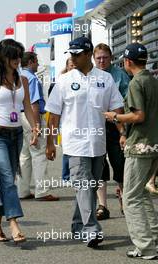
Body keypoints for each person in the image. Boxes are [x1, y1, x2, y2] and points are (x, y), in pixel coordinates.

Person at [45, 36, 124, 248]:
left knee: (89, 187)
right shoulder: (63, 80)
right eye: (71, 54)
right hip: (75, 144)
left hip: (98, 143)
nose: (73, 57)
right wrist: (50, 142)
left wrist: (123, 132)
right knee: (83, 185)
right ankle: (91, 230)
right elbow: (53, 114)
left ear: (88, 54)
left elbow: (117, 108)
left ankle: (78, 224)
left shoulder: (105, 79)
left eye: (77, 53)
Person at [104, 43, 158, 259]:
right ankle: (152, 239)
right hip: (154, 144)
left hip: (140, 146)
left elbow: (138, 116)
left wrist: (114, 117)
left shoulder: (136, 83)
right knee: (143, 195)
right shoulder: (153, 80)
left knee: (131, 197)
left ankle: (145, 247)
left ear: (127, 61)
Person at [0, 39, 38, 243]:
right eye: (13, 56)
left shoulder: (22, 80)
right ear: (3, 57)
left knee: (8, 181)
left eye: (19, 56)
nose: (17, 60)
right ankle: (14, 224)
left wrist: (34, 127)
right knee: (7, 178)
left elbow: (28, 107)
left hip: (16, 135)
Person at [93, 43, 130, 219]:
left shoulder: (120, 75)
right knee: (100, 166)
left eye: (105, 57)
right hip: (97, 125)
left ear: (111, 58)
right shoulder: (90, 76)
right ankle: (102, 206)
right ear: (94, 58)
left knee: (120, 164)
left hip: (117, 124)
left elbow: (128, 101)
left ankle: (125, 201)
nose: (102, 61)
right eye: (98, 58)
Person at [17, 52, 59, 201]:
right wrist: (37, 126)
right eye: (36, 61)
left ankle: (22, 190)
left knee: (24, 156)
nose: (38, 64)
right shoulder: (32, 78)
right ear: (31, 62)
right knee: (39, 154)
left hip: (19, 118)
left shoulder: (17, 76)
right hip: (31, 116)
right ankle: (42, 191)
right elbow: (33, 103)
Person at [61, 57, 75, 185]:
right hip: (66, 122)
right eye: (71, 65)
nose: (73, 67)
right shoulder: (62, 80)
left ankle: (73, 176)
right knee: (67, 150)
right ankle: (66, 176)